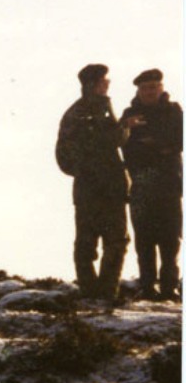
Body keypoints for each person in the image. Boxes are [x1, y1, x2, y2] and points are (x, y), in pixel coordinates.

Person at [55, 64, 133, 301]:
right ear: (93, 84)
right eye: (103, 81)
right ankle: (103, 292)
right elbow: (108, 141)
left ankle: (94, 292)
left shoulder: (77, 111)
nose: (107, 85)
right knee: (112, 241)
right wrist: (124, 128)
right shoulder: (91, 110)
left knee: (92, 242)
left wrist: (82, 172)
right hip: (102, 187)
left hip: (94, 187)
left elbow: (64, 157)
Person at [121, 68, 183, 301]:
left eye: (154, 87)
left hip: (169, 185)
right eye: (146, 88)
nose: (150, 91)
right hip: (141, 184)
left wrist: (152, 144)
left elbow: (178, 141)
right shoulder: (129, 114)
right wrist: (158, 147)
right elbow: (125, 147)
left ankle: (169, 287)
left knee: (170, 240)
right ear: (139, 90)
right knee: (144, 240)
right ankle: (147, 286)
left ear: (162, 88)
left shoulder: (174, 112)